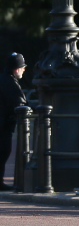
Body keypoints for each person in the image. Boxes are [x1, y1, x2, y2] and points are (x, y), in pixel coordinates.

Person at [0, 54, 27, 191]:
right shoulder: (9, 82)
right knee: (4, 151)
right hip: (4, 124)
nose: (23, 70)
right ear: (16, 69)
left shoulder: (4, 79)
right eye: (22, 68)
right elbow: (19, 103)